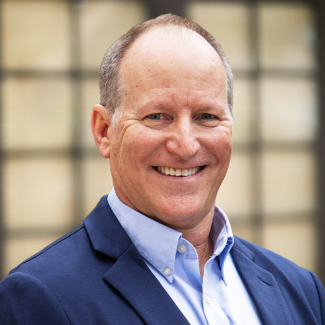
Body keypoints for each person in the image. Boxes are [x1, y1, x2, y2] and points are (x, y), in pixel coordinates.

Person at [0, 14, 324, 325]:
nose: (185, 146)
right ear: (103, 131)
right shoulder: (39, 298)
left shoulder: (302, 290)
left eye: (206, 116)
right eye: (156, 116)